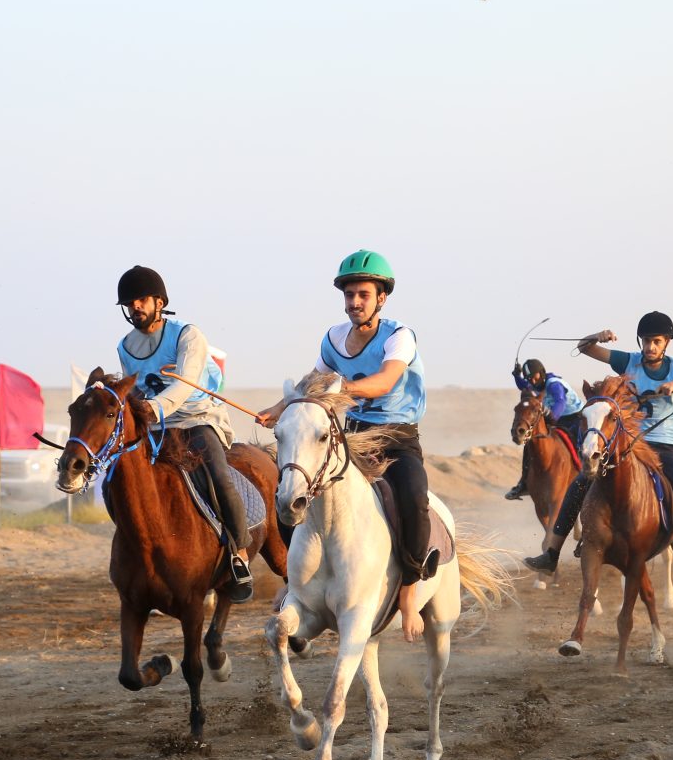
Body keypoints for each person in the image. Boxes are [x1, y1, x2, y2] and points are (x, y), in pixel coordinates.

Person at [257, 249, 435, 638]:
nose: (355, 302)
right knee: (291, 488)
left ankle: (409, 589)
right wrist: (278, 408)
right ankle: (294, 580)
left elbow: (385, 382)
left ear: (381, 298)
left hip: (397, 436)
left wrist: (341, 390)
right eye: (350, 294)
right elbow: (312, 381)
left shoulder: (399, 336)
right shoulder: (334, 338)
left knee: (413, 496)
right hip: (352, 435)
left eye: (363, 295)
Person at [523, 310, 673, 594]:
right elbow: (584, 348)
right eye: (646, 341)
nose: (650, 347)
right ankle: (551, 554)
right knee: (580, 483)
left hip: (664, 445)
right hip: (628, 442)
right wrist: (597, 336)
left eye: (656, 341)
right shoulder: (629, 361)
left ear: (666, 343)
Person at [114, 265, 254, 602]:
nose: (135, 306)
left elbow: (183, 385)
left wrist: (153, 408)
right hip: (155, 428)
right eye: (130, 303)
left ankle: (239, 554)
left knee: (219, 477)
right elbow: (134, 390)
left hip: (196, 420)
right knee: (121, 481)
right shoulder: (125, 346)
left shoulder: (188, 336)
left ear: (159, 302)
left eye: (141, 300)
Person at [505, 358, 589, 500]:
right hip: (556, 419)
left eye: (534, 377)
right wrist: (517, 376)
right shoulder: (535, 383)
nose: (532, 381)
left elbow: (560, 401)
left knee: (580, 443)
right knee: (530, 442)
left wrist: (552, 416)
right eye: (530, 379)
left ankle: (586, 477)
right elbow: (523, 386)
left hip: (575, 418)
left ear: (542, 372)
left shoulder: (554, 384)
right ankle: (523, 483)